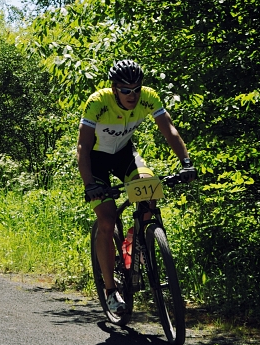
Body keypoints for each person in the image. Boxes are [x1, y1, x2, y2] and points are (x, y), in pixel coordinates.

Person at [78, 59, 197, 314]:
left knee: (149, 189)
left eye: (136, 89)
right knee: (107, 222)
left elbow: (170, 131)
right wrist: (90, 184)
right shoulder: (97, 102)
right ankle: (111, 290)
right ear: (113, 88)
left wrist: (186, 163)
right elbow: (83, 147)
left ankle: (137, 245)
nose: (132, 95)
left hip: (124, 155)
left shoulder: (149, 98)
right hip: (96, 160)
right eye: (125, 90)